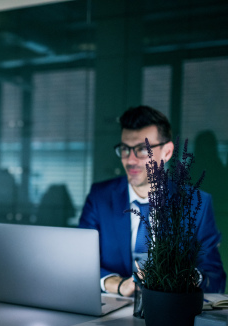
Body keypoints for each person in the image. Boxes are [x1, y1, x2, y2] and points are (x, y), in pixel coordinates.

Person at [79, 105, 226, 296]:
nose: (130, 160)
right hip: (110, 312)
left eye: (142, 149)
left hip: (171, 314)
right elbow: (81, 263)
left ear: (167, 152)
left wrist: (182, 278)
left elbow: (214, 278)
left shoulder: (197, 203)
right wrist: (117, 284)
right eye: (125, 149)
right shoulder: (99, 197)